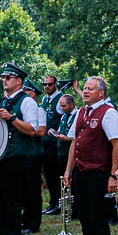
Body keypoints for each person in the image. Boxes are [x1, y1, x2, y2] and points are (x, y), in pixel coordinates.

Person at [60, 74, 118, 235]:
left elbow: (115, 145)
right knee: (85, 218)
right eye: (84, 88)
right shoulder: (82, 112)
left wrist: (113, 175)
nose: (85, 91)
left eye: (90, 89)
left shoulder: (108, 113)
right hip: (81, 172)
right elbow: (74, 141)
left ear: (101, 93)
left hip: (98, 173)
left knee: (98, 219)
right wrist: (68, 170)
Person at [0, 63, 47, 235]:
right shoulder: (3, 101)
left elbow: (32, 130)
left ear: (19, 81)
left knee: (12, 203)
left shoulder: (27, 102)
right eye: (3, 77)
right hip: (1, 157)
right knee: (1, 202)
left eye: (8, 77)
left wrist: (12, 118)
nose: (4, 80)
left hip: (17, 158)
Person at [42, 77, 73, 218]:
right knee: (49, 174)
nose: (47, 87)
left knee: (56, 175)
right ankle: (53, 202)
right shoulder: (44, 100)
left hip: (56, 144)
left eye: (50, 84)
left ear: (55, 85)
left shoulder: (60, 99)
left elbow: (64, 118)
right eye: (45, 84)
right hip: (45, 142)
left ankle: (60, 204)